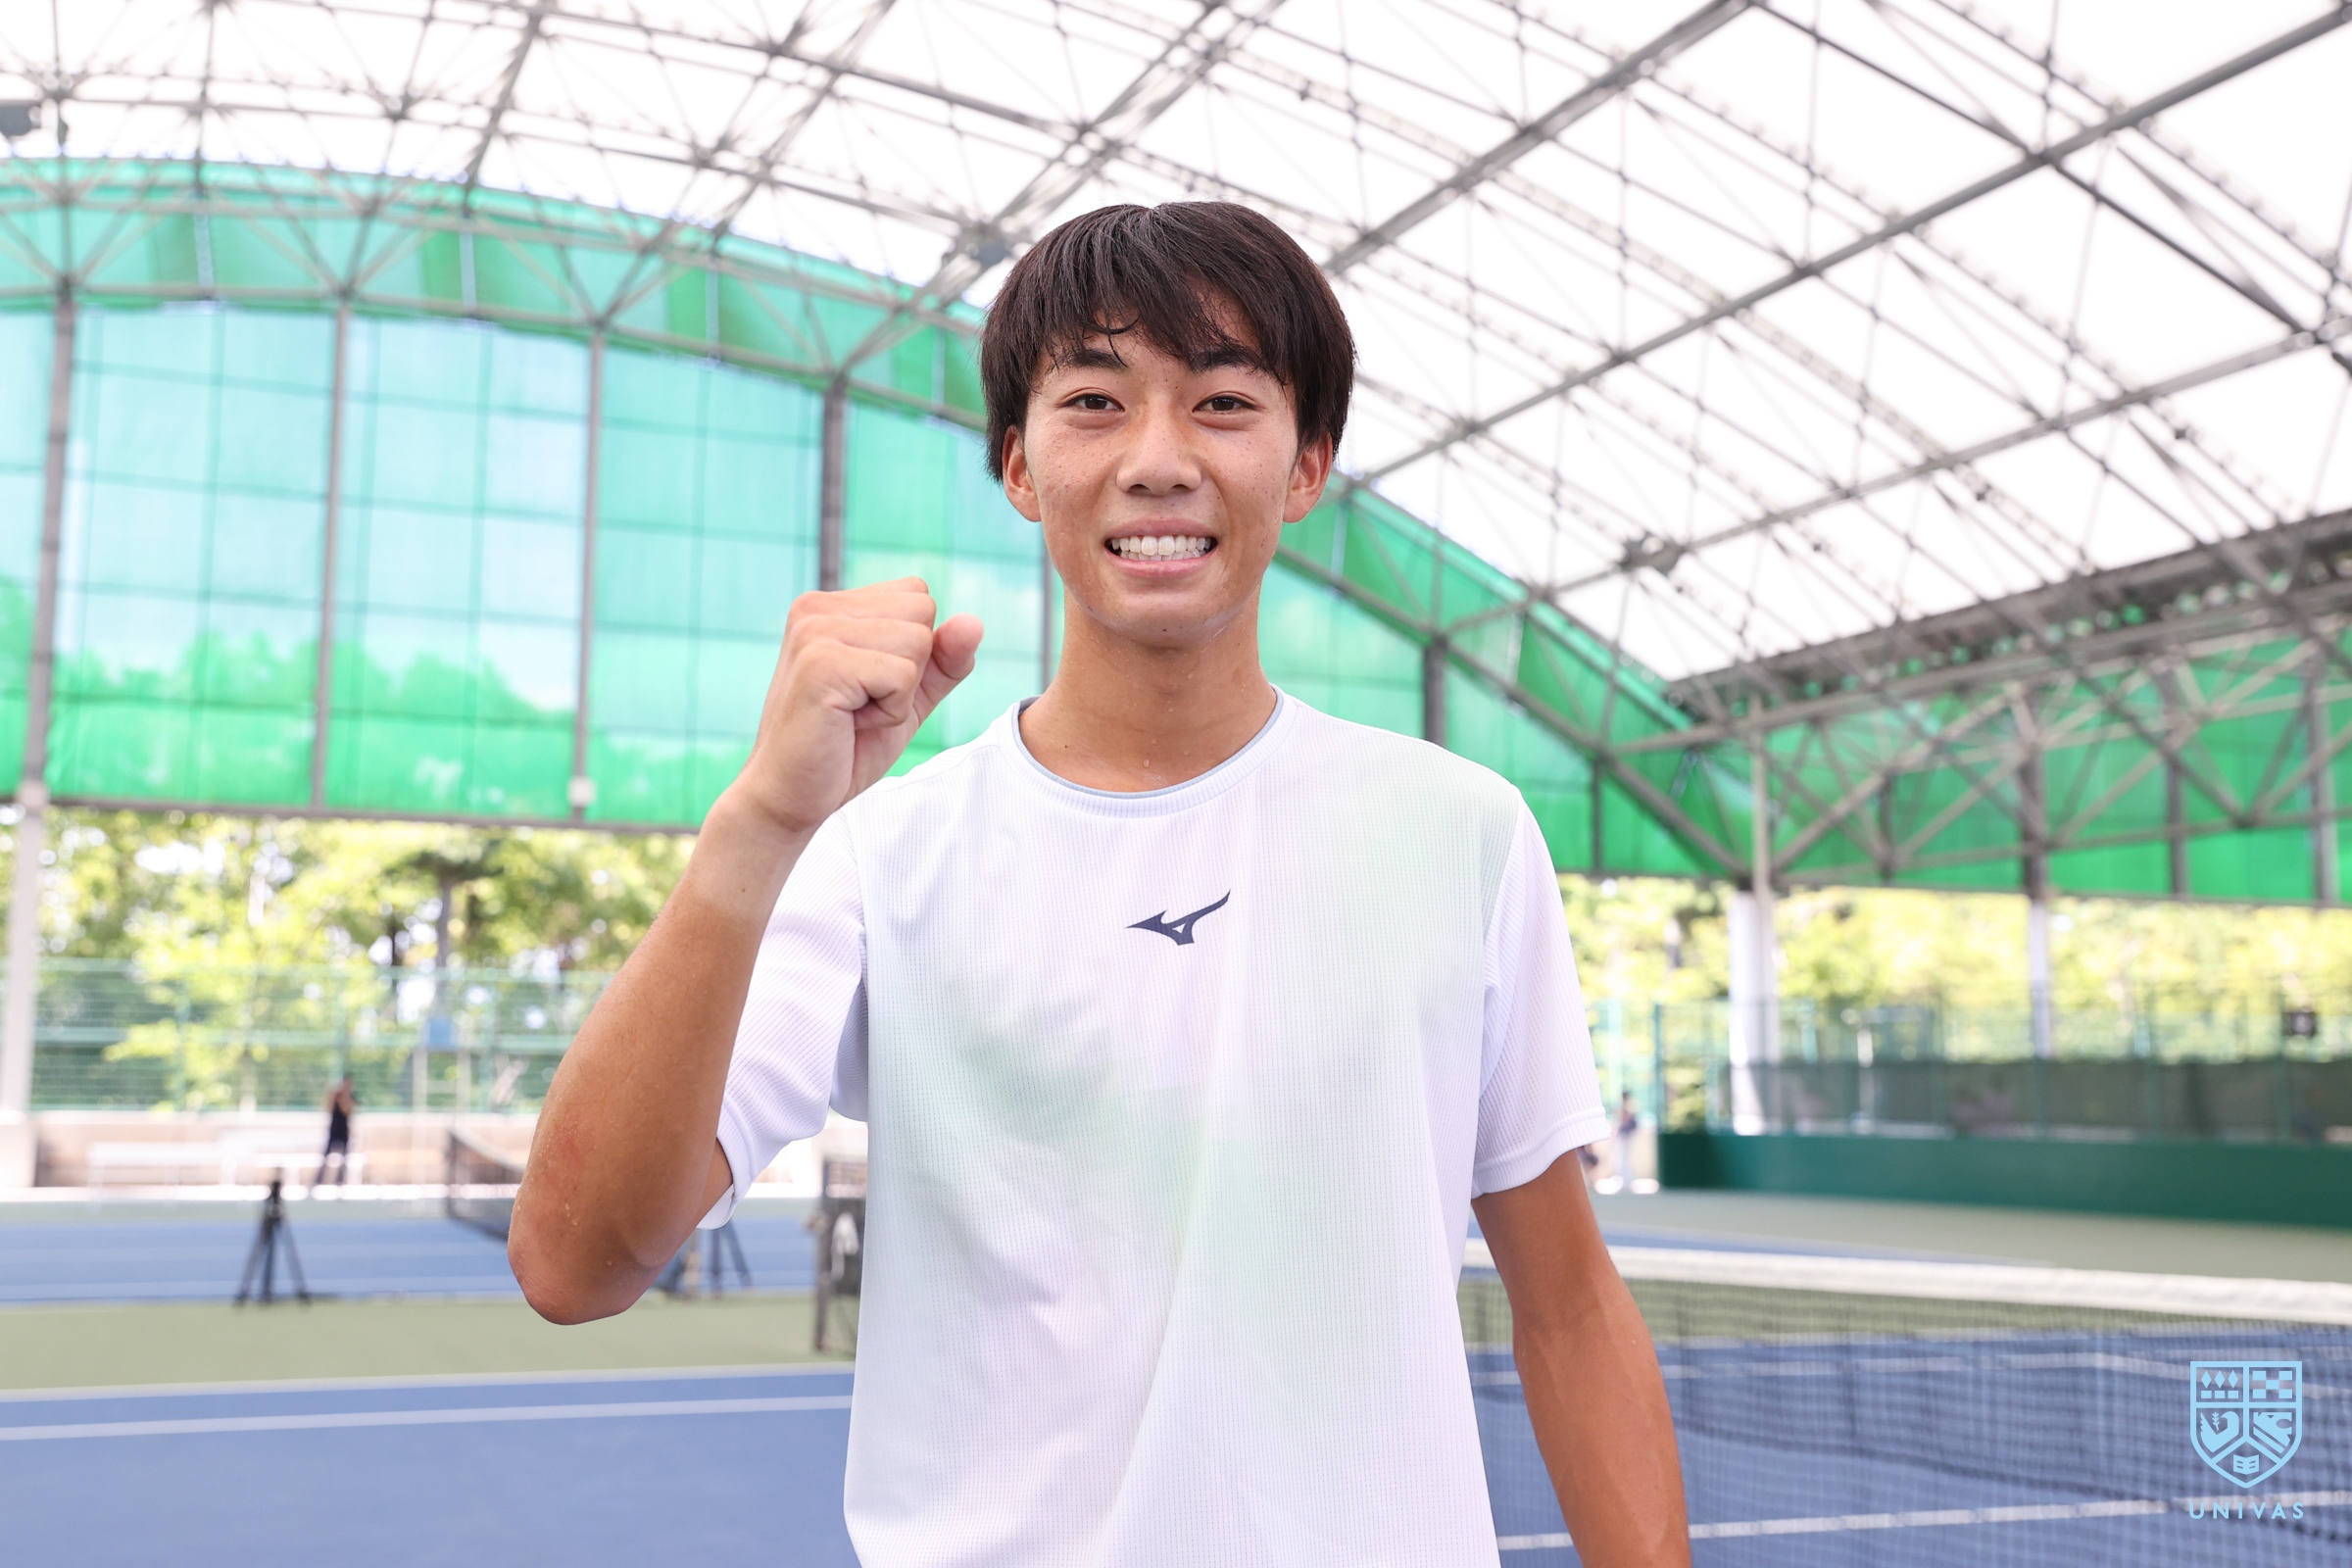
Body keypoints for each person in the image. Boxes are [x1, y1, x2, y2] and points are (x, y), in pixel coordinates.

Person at [511, 202, 1690, 1566]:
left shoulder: (1459, 830)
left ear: (1306, 464)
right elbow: (574, 1263)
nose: (1158, 460)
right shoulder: (881, 853)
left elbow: (1568, 1307)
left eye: (1225, 403)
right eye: (1094, 402)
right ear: (1021, 464)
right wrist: (757, 826)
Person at [313, 1075, 356, 1190]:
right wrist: (333, 1096)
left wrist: (343, 1098)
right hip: (334, 1130)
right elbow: (329, 1108)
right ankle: (319, 1180)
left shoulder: (350, 1097)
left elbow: (348, 1110)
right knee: (326, 1156)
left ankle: (340, 1180)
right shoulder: (335, 1095)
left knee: (344, 1157)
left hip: (344, 1131)